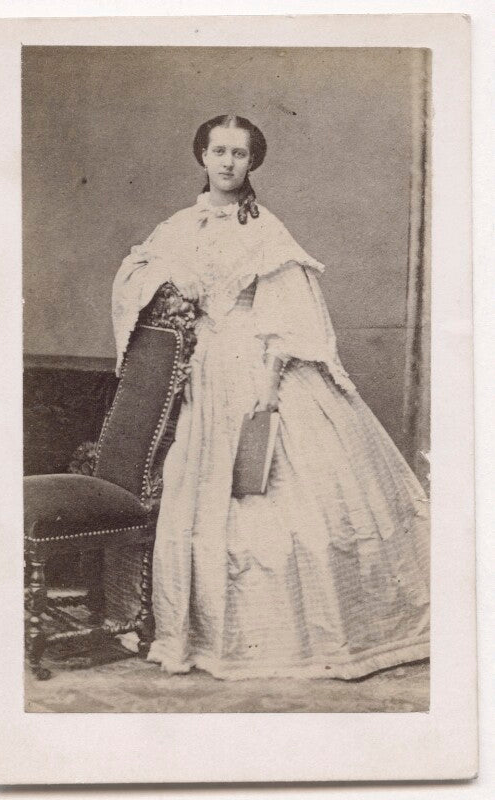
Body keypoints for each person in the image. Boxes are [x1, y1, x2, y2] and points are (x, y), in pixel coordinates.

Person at [112, 114, 430, 680]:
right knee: (198, 492)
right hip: (201, 371)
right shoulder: (179, 225)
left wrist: (266, 386)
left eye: (239, 153)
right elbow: (136, 274)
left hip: (256, 365)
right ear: (202, 156)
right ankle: (190, 629)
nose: (228, 162)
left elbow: (289, 314)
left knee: (275, 494)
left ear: (252, 162)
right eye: (218, 151)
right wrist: (164, 286)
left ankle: (287, 637)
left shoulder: (263, 227)